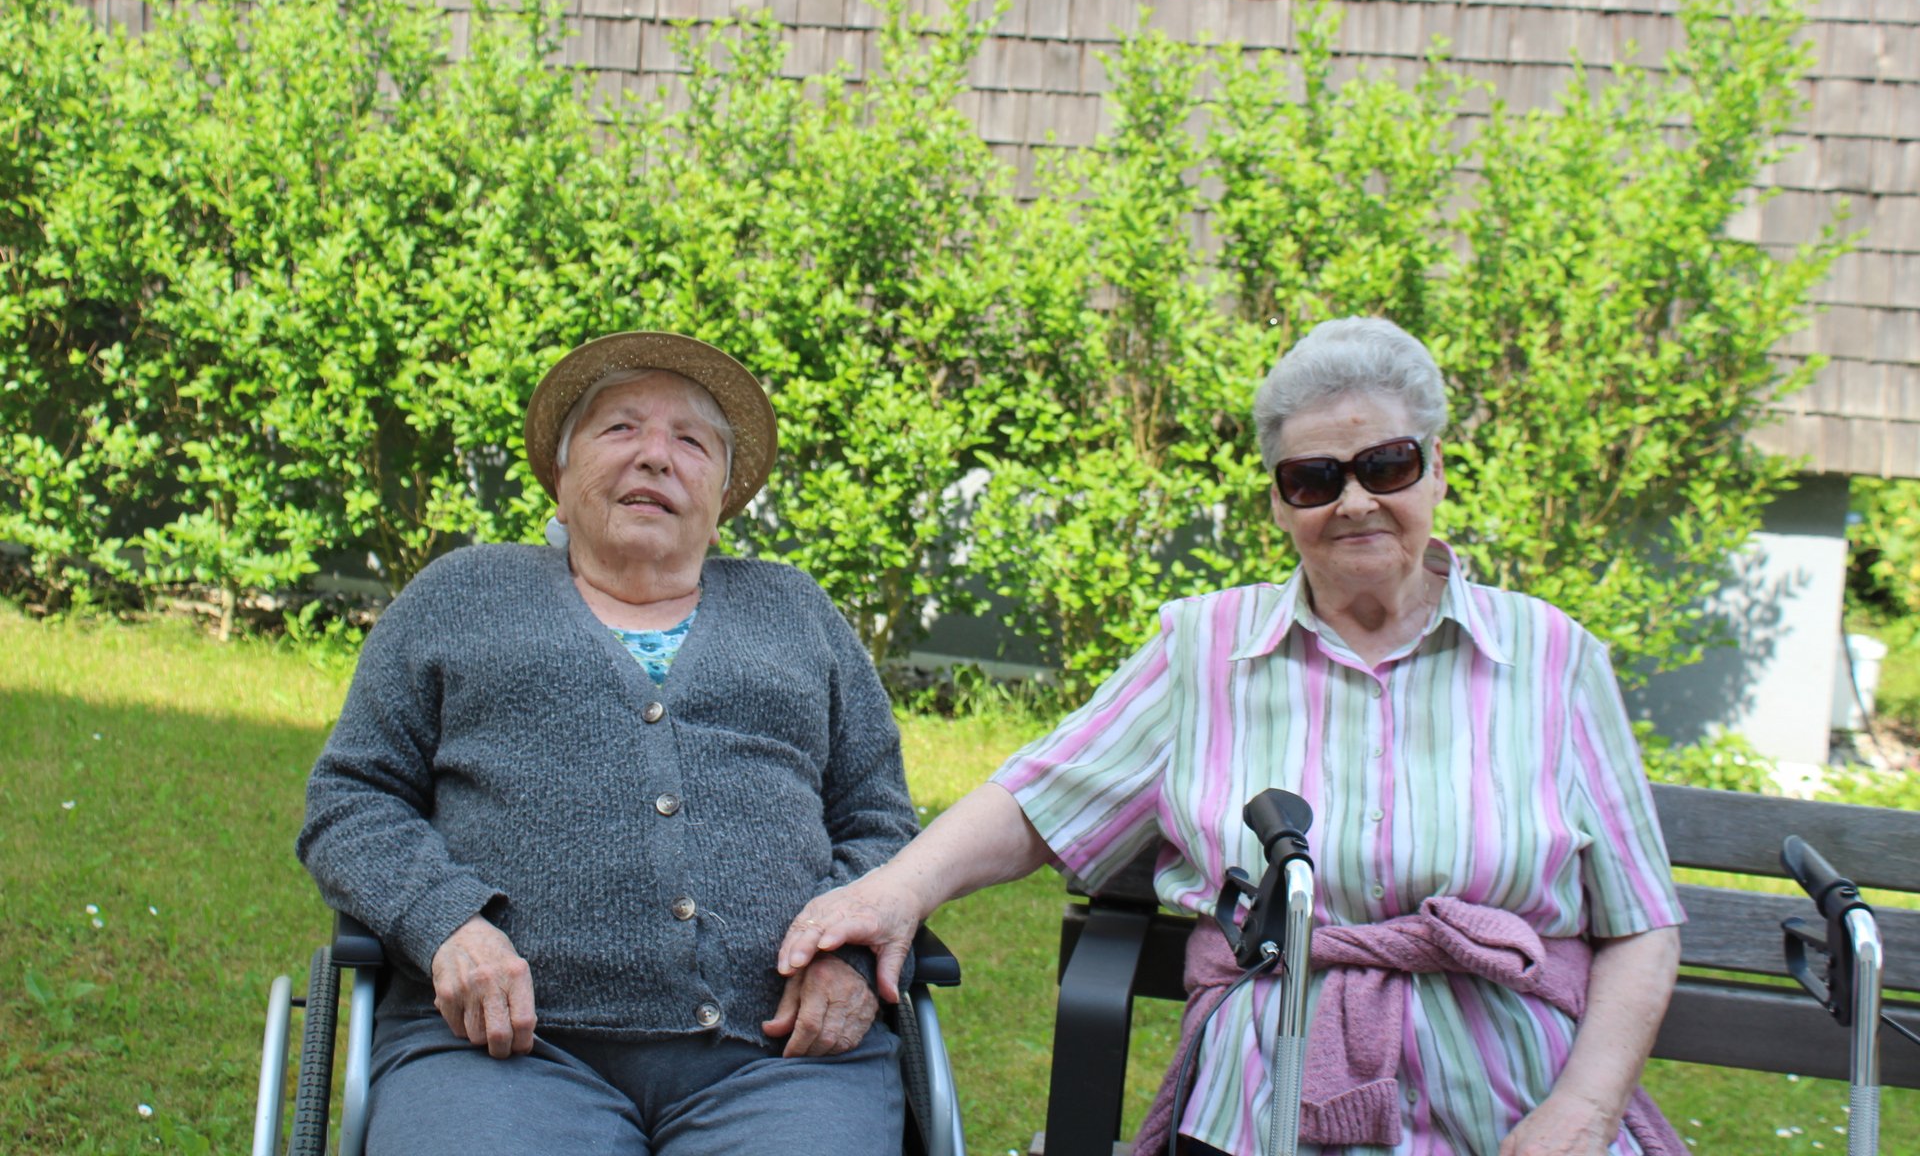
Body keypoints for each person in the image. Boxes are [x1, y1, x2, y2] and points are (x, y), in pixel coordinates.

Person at [776, 317, 1687, 1156]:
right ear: (1281, 503)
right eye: (1314, 479)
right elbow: (1039, 800)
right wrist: (894, 893)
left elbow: (1641, 925)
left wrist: (1585, 1110)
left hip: (1514, 1101)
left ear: (1437, 469)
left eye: (1387, 465)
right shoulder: (1206, 648)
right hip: (1265, 1105)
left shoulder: (1554, 656)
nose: (1354, 502)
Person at [298, 331, 919, 1156]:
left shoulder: (798, 613)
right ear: (560, 483)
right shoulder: (460, 596)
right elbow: (350, 799)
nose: (655, 456)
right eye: (621, 428)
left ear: (722, 500)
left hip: (783, 1063)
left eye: (691, 441)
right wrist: (446, 924)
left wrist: (849, 951)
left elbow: (881, 822)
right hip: (500, 1054)